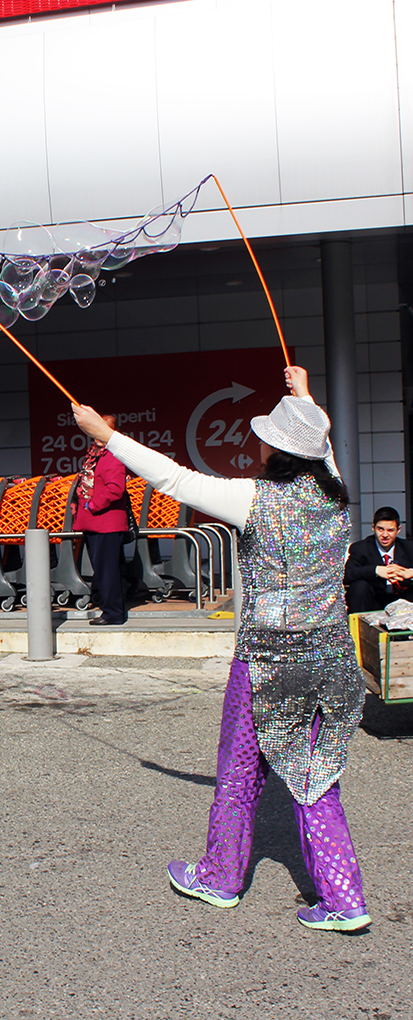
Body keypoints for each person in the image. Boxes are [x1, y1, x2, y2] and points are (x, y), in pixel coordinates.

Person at [73, 366, 371, 932]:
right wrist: (304, 398)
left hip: (266, 664)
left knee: (238, 774)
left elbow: (175, 481)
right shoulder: (335, 494)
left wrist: (106, 436)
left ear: (277, 450)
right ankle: (344, 898)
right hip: (331, 659)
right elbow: (323, 443)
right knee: (316, 777)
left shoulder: (254, 499)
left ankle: (220, 877)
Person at [72, 414, 129, 626]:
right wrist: (78, 503)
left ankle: (113, 614)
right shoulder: (94, 455)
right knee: (103, 569)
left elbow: (115, 489)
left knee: (107, 571)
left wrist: (93, 505)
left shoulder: (112, 455)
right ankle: (112, 610)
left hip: (106, 523)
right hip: (95, 523)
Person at [344, 506, 413, 612]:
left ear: (398, 530)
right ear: (373, 528)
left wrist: (410, 573)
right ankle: (359, 626)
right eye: (381, 529)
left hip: (403, 601)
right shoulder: (361, 548)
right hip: (374, 600)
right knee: (359, 587)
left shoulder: (408, 547)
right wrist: (376, 570)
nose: (385, 535)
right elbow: (347, 574)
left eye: (390, 530)